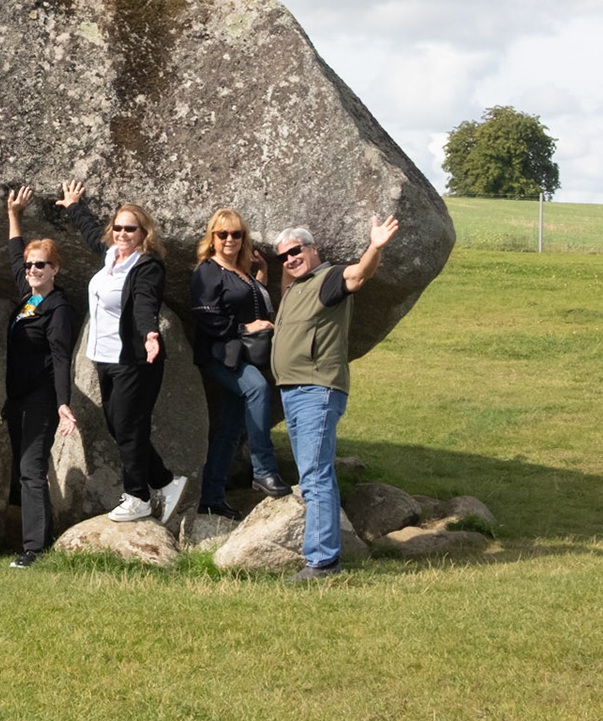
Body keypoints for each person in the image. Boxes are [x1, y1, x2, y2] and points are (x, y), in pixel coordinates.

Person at [272, 214, 401, 582]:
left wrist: (375, 246)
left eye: (296, 251)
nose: (290, 259)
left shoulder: (328, 280)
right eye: (283, 256)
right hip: (292, 392)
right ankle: (320, 557)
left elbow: (359, 275)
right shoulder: (296, 288)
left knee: (316, 475)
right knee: (309, 475)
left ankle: (323, 563)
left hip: (317, 390)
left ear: (313, 249)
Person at [57, 180, 189, 527]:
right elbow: (90, 233)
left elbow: (146, 302)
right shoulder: (111, 257)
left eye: (130, 229)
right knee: (118, 426)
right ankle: (163, 480)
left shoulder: (147, 267)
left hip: (134, 359)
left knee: (130, 427)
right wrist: (74, 206)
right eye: (117, 227)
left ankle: (138, 496)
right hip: (104, 358)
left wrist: (150, 334)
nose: (122, 233)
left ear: (144, 232)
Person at [191, 208, 292, 518]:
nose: (230, 239)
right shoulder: (207, 270)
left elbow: (261, 308)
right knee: (258, 389)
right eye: (223, 234)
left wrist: (260, 276)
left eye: (237, 234)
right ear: (212, 238)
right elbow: (205, 315)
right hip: (220, 355)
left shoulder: (243, 272)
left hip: (240, 354)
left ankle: (211, 497)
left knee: (230, 430)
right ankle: (263, 469)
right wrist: (244, 328)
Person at [2, 187, 78, 568]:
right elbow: (15, 257)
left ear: (55, 269)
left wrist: (64, 403)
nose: (32, 270)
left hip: (41, 401)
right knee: (24, 470)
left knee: (31, 471)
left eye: (41, 265)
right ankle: (36, 539)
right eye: (32, 265)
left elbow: (62, 357)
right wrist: (14, 213)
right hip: (17, 400)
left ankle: (33, 549)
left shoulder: (57, 309)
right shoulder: (30, 299)